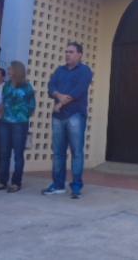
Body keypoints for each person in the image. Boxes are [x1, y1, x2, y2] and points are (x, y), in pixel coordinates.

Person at [42, 42, 93, 199]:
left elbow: (79, 90)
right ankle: (58, 185)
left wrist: (60, 103)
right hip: (58, 117)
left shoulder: (85, 71)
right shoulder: (59, 70)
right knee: (58, 153)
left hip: (75, 115)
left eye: (71, 52)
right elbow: (51, 86)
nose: (67, 54)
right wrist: (58, 96)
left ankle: (76, 186)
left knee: (76, 152)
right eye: (66, 52)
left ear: (79, 54)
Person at [0, 61, 35, 193]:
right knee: (4, 153)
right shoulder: (7, 85)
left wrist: (22, 115)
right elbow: (4, 102)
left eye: (10, 68)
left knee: (18, 154)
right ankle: (2, 181)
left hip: (20, 124)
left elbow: (32, 106)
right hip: (5, 123)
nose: (8, 70)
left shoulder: (27, 87)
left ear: (16, 70)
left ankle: (16, 182)